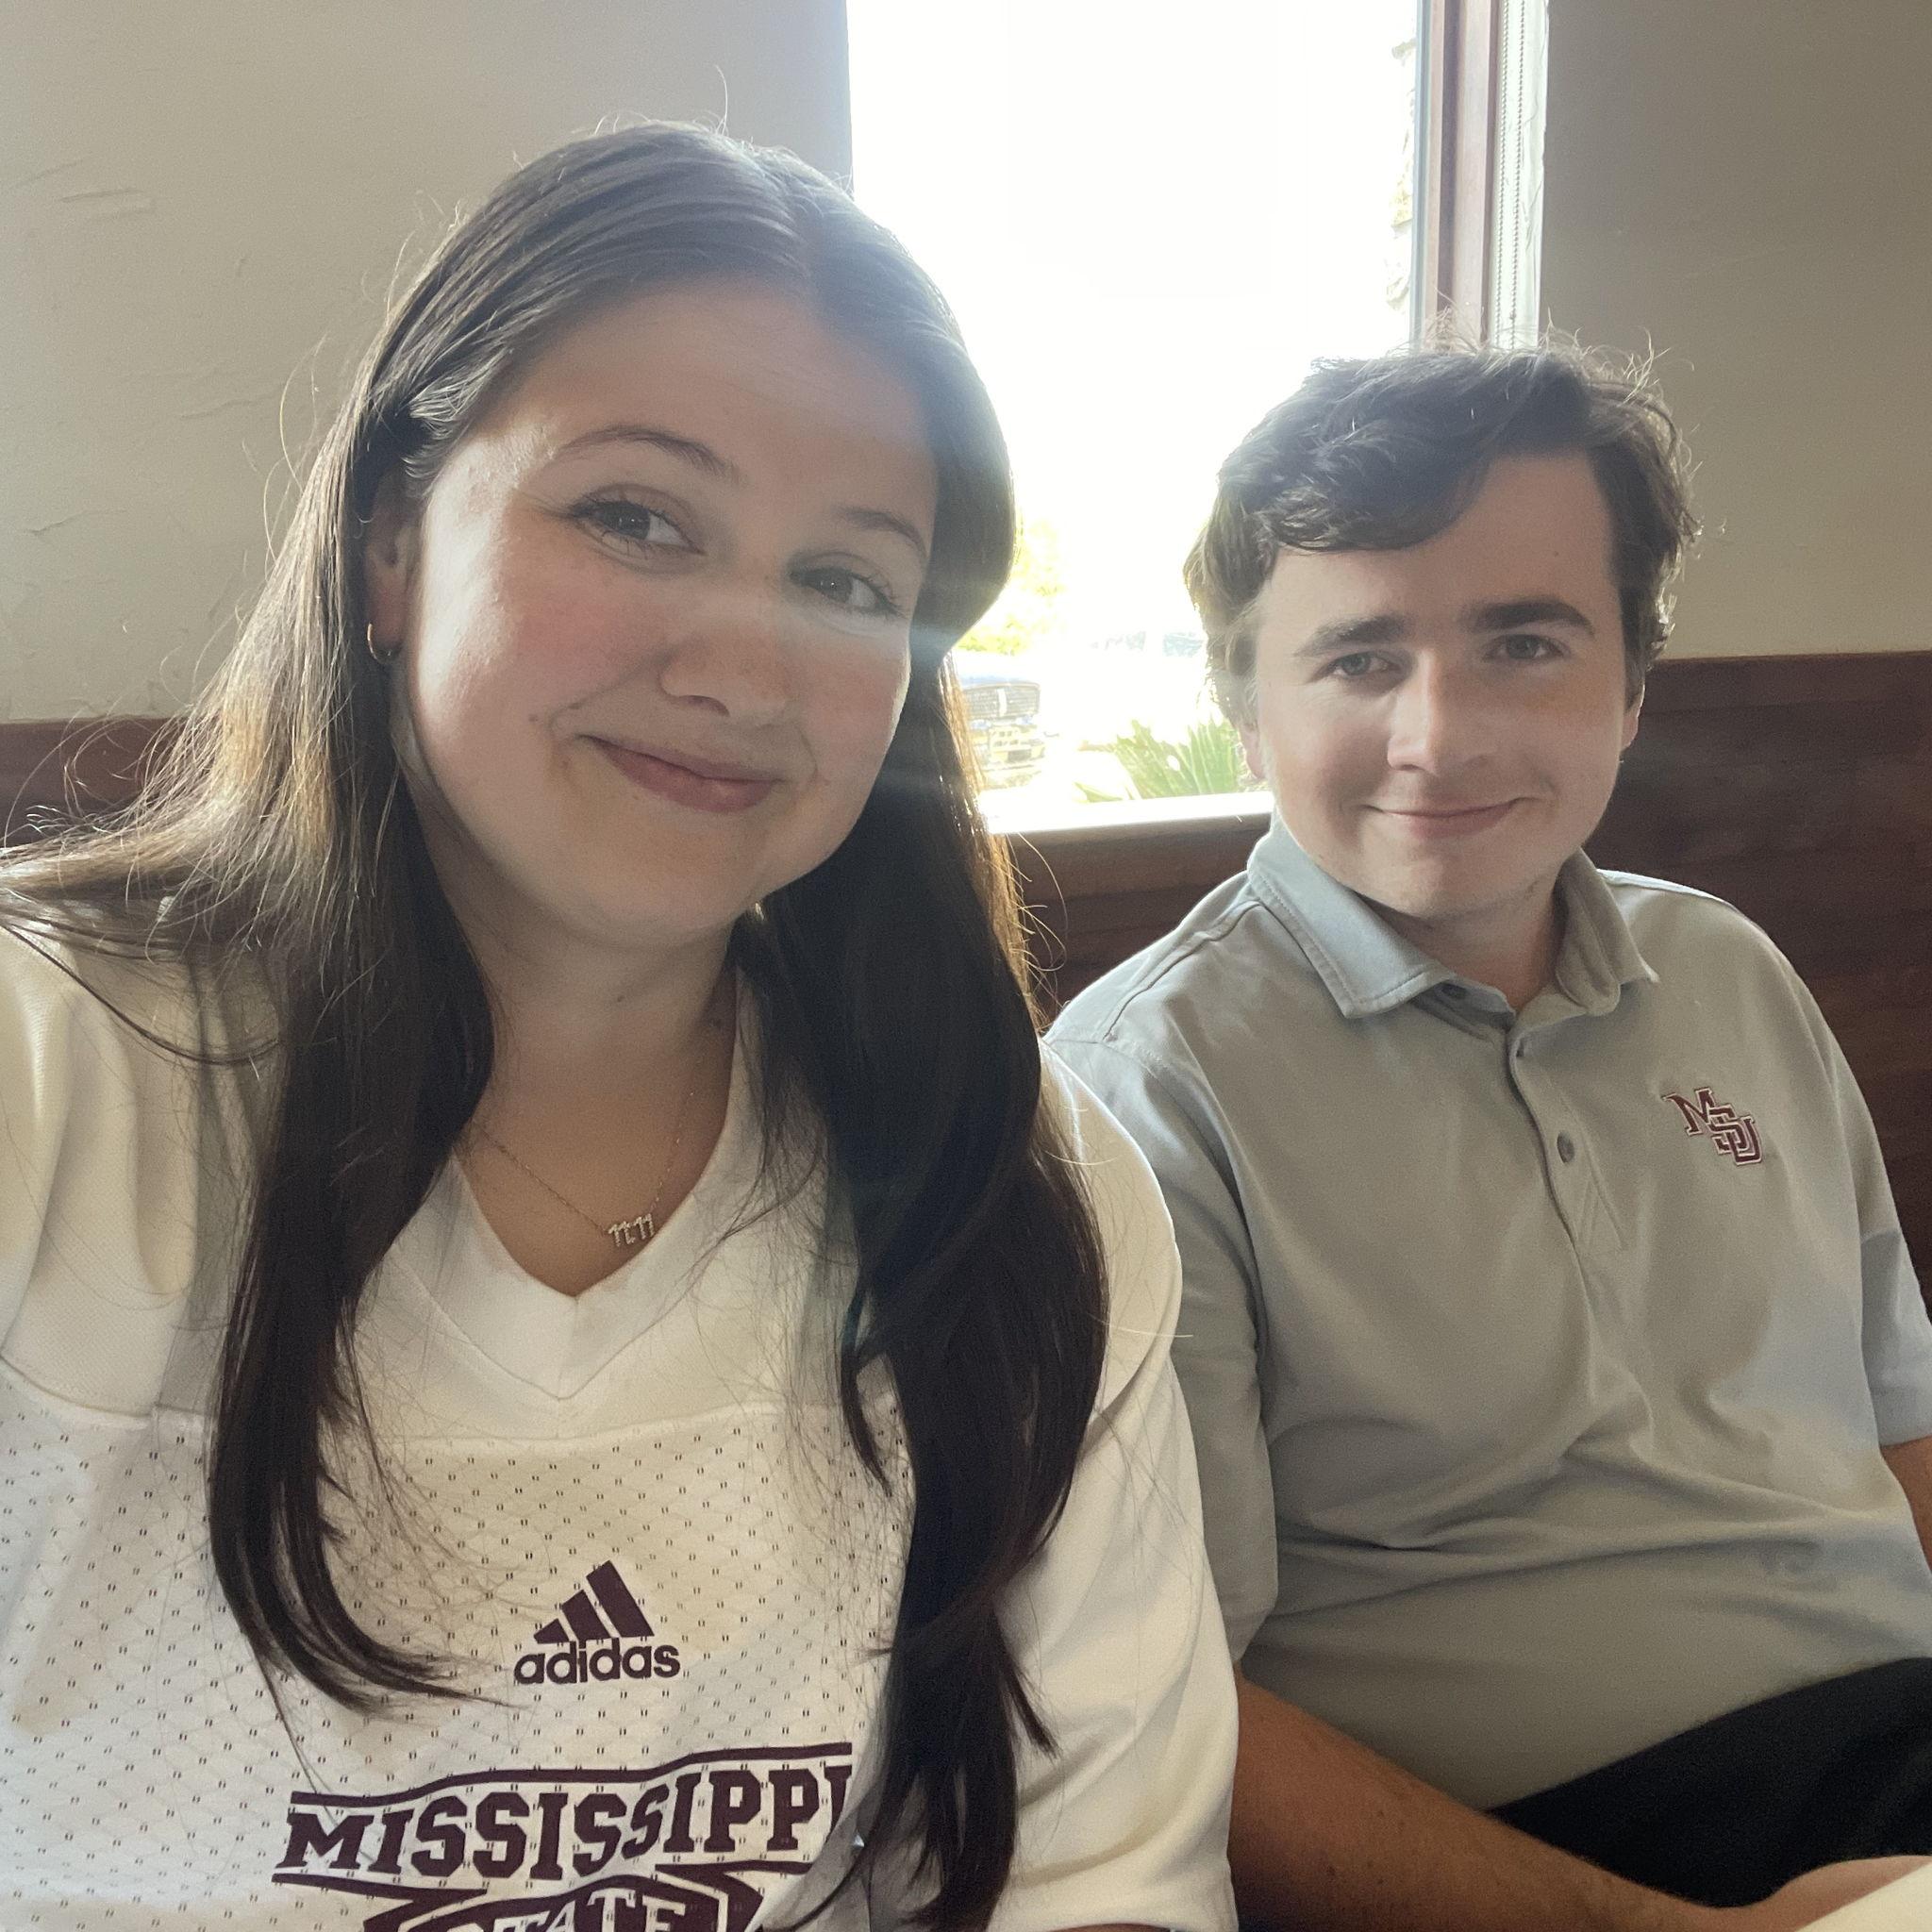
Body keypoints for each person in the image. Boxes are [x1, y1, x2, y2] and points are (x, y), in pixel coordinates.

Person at [0, 124, 1236, 1932]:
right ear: (390, 544)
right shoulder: (54, 1076)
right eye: (635, 518)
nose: (742, 670)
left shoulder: (1009, 1175)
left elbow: (1098, 1870)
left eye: (848, 582)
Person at [1048, 344, 1932, 1931]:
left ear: (1634, 686)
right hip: (1542, 1853)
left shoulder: (1728, 970)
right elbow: (1159, 1705)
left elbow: (1900, 1429)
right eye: (1359, 658)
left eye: (1524, 644)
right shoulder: (1143, 1087)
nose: (1440, 737)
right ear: (1244, 708)